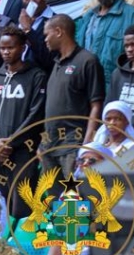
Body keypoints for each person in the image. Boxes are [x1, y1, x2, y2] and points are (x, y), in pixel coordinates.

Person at [0, 27, 48, 217]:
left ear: (22, 47)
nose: (5, 52)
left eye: (10, 47)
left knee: (22, 207)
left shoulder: (36, 76)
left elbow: (36, 115)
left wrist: (10, 142)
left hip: (23, 153)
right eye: (2, 48)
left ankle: (20, 246)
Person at [42, 14, 105, 176]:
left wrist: (89, 138)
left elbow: (96, 103)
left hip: (73, 142)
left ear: (58, 31)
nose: (45, 40)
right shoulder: (56, 63)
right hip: (50, 145)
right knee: (54, 199)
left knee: (74, 198)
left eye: (46, 34)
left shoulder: (87, 60)